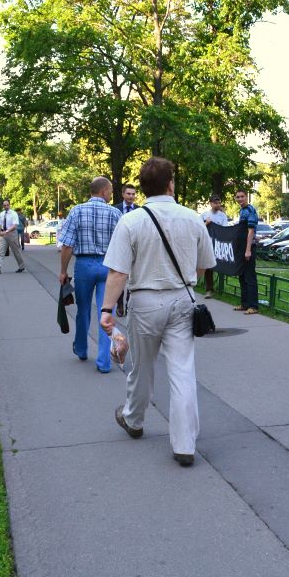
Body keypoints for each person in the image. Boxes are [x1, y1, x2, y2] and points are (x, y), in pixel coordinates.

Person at [100, 157, 216, 467]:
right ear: (170, 184)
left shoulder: (131, 221)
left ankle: (134, 420)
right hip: (182, 301)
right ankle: (184, 444)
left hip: (145, 301)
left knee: (142, 367)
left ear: (142, 188)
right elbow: (204, 266)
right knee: (182, 371)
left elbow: (118, 274)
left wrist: (107, 309)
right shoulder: (193, 218)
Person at [58, 176, 123, 373]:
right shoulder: (115, 213)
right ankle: (104, 362)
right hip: (108, 266)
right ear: (103, 191)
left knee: (83, 309)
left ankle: (81, 348)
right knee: (107, 313)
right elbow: (122, 245)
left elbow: (67, 245)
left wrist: (63, 271)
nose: (111, 194)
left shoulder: (76, 211)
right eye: (110, 191)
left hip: (84, 265)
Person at [233, 189, 259, 314]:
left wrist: (248, 250)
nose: (240, 199)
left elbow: (251, 231)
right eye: (237, 197)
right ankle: (244, 304)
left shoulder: (250, 210)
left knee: (250, 277)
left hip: (249, 248)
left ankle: (253, 306)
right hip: (242, 247)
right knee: (242, 276)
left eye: (242, 196)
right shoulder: (242, 210)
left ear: (246, 197)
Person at [200, 194, 228, 298]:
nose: (217, 205)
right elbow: (198, 228)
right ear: (210, 203)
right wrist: (206, 223)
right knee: (209, 266)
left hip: (219, 245)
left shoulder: (223, 216)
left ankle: (221, 287)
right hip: (207, 244)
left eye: (219, 202)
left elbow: (225, 229)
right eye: (215, 203)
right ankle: (209, 289)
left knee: (220, 264)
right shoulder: (204, 215)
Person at [0, 200, 26, 274]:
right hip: (3, 234)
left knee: (16, 251)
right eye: (4, 205)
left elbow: (15, 225)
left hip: (12, 234)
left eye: (7, 205)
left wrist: (6, 231)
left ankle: (21, 266)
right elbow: (0, 224)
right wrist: (0, 231)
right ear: (3, 206)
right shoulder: (2, 214)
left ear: (10, 205)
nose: (6, 207)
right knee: (0, 251)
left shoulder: (13, 213)